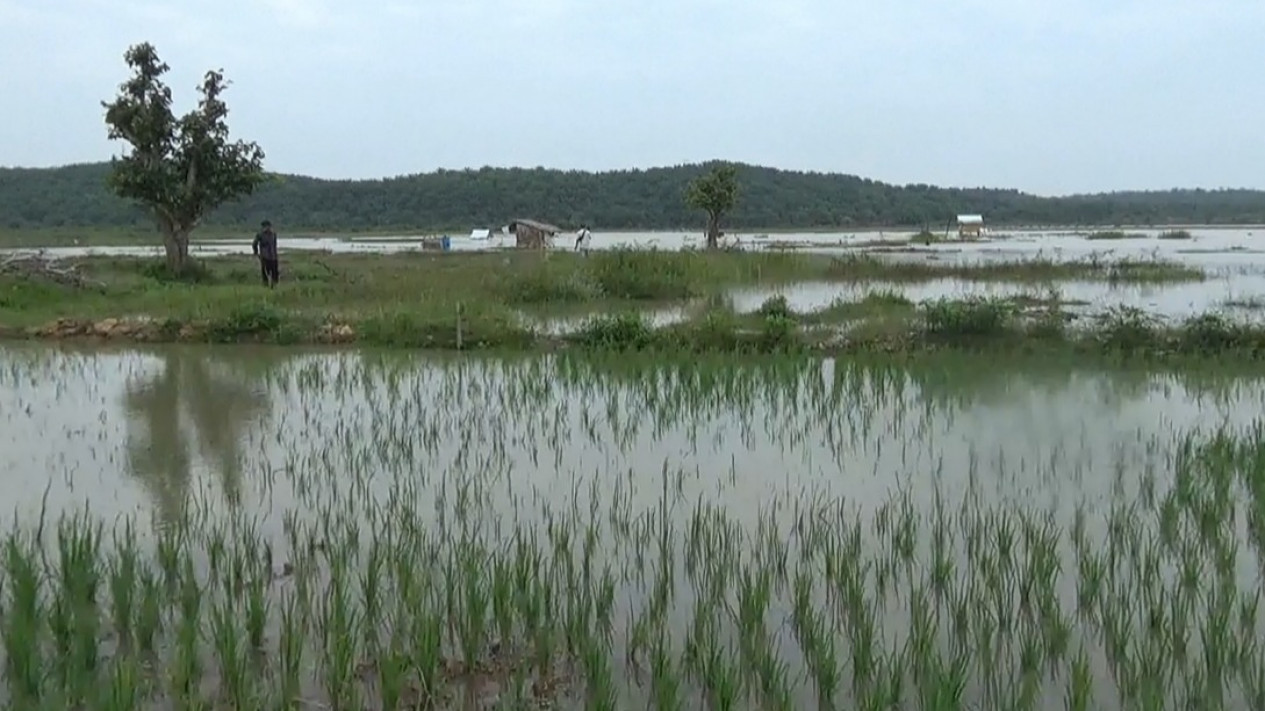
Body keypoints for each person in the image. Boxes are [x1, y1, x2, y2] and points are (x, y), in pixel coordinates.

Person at [252, 220, 280, 288]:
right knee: (265, 272)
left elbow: (275, 245)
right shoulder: (260, 234)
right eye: (266, 227)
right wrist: (256, 252)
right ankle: (266, 285)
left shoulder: (273, 234)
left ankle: (274, 286)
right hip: (265, 256)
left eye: (268, 226)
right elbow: (254, 244)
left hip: (273, 256)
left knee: (274, 273)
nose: (267, 228)